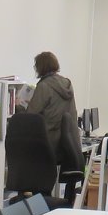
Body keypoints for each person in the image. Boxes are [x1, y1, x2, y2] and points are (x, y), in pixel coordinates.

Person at [24, 52, 83, 183]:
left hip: (49, 142)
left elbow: (30, 115)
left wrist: (19, 106)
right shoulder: (67, 83)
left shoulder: (44, 85)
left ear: (41, 67)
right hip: (66, 143)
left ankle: (34, 194)